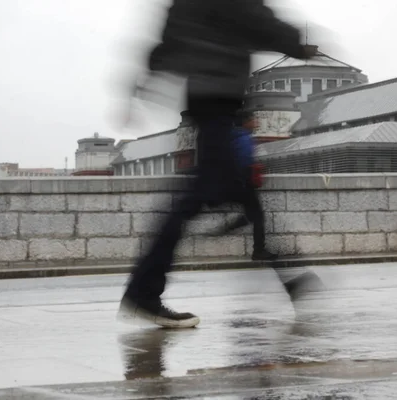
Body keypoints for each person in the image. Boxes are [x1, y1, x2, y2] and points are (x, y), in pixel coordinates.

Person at [118, 0, 318, 329]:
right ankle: (143, 290)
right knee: (198, 197)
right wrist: (296, 44)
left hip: (204, 97)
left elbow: (170, 37)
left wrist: (148, 78)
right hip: (220, 93)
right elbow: (259, 20)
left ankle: (293, 278)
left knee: (233, 194)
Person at [213, 111, 278, 261]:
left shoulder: (235, 137)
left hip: (238, 183)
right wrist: (251, 173)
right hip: (245, 183)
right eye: (253, 120)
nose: (255, 123)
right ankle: (259, 250)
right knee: (258, 216)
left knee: (253, 215)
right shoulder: (243, 138)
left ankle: (230, 228)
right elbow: (243, 162)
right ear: (246, 122)